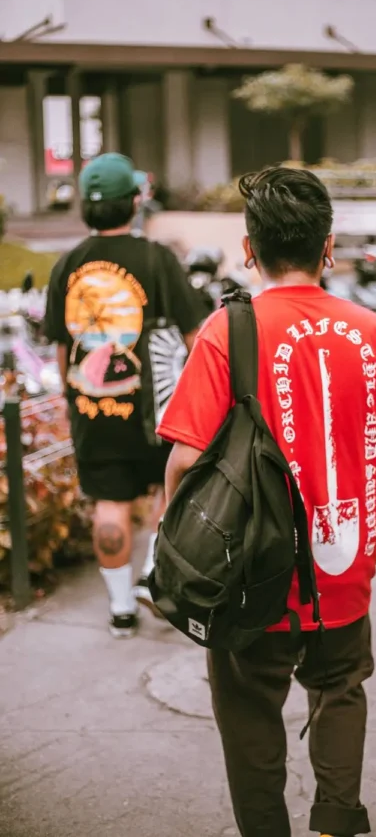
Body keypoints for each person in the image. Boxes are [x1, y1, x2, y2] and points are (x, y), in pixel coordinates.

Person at [157, 166, 376, 837]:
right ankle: (337, 822)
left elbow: (186, 457)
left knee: (250, 713)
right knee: (340, 691)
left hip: (254, 576)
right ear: (329, 248)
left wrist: (171, 541)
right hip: (346, 571)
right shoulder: (374, 332)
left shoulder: (227, 333)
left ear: (248, 251)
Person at [44, 153, 199, 638]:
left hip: (94, 407)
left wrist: (76, 400)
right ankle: (152, 577)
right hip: (158, 405)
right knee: (168, 489)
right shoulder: (158, 259)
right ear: (134, 202)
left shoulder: (66, 264)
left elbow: (60, 349)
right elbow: (195, 338)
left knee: (109, 503)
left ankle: (119, 609)